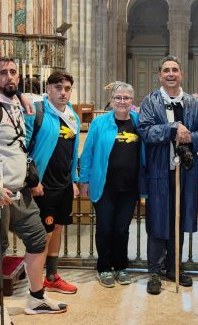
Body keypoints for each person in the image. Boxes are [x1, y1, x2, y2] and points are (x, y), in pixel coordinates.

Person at [0, 58, 66, 324]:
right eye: (3, 73)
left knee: (38, 240)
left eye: (13, 73)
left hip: (21, 190)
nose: (9, 77)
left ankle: (36, 297)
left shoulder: (15, 102)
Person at [138, 54, 198, 295]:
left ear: (181, 74)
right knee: (158, 221)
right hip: (159, 170)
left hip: (184, 172)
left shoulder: (192, 103)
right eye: (166, 70)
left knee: (178, 219)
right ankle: (154, 270)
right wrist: (172, 129)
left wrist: (189, 137)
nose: (170, 74)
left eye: (175, 70)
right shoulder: (150, 101)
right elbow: (145, 131)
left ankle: (173, 267)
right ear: (159, 75)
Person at [78, 82, 145, 287]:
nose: (122, 102)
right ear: (112, 100)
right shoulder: (100, 123)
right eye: (118, 98)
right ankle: (104, 268)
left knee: (122, 229)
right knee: (105, 228)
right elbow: (87, 153)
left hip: (129, 187)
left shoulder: (138, 122)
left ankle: (121, 267)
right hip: (105, 185)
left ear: (132, 101)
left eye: (126, 98)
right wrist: (84, 180)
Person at [25, 71, 80, 295]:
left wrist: (74, 180)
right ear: (48, 89)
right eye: (58, 87)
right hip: (42, 185)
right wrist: (31, 181)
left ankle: (52, 276)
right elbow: (23, 148)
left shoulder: (72, 116)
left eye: (67, 88)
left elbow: (73, 152)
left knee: (57, 229)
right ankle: (36, 285)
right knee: (44, 234)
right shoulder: (36, 113)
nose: (63, 92)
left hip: (64, 184)